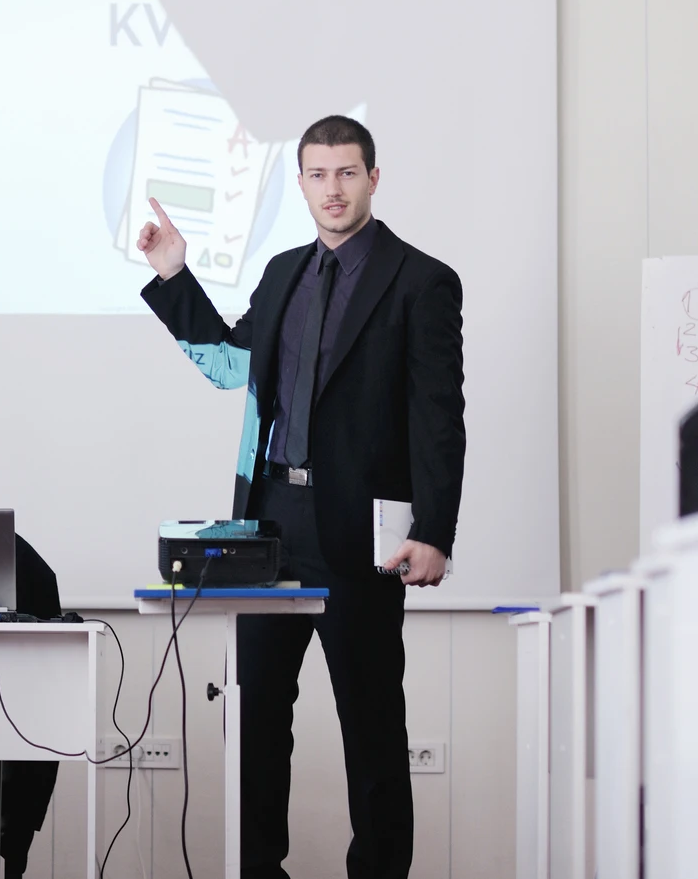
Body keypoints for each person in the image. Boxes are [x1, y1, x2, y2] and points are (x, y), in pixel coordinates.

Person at [135, 115, 465, 879]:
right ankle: (259, 869)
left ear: (373, 178)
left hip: (362, 532)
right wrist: (175, 275)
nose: (332, 189)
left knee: (372, 723)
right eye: (318, 175)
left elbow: (438, 418)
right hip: (271, 527)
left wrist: (435, 529)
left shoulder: (422, 281)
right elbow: (230, 366)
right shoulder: (283, 272)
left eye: (347, 173)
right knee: (254, 715)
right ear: (302, 184)